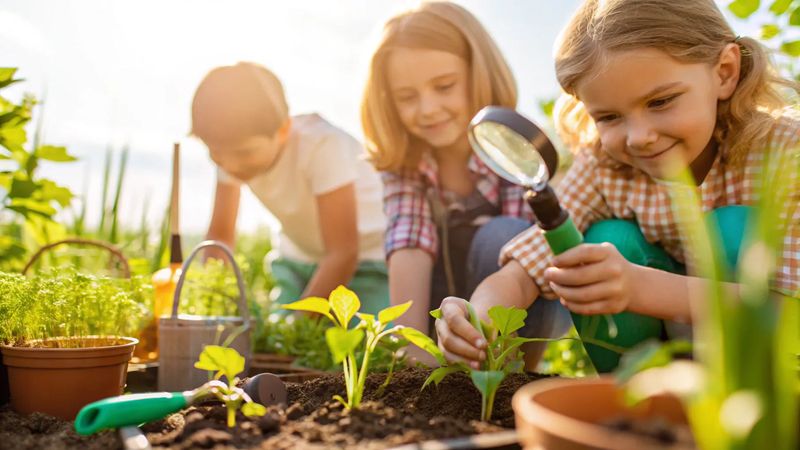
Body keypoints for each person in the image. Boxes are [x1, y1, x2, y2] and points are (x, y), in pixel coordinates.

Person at [435, 0, 800, 372]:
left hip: (764, 366)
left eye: (660, 101)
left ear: (724, 72)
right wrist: (478, 314)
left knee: (735, 231)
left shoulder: (786, 149)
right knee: (609, 240)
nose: (639, 138)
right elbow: (527, 268)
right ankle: (635, 397)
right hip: (659, 360)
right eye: (609, 117)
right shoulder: (605, 166)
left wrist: (641, 288)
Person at [360, 1, 572, 365]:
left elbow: (527, 258)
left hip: (518, 298)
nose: (427, 108)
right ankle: (444, 360)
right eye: (407, 97)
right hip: (443, 306)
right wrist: (412, 355)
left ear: (479, 75)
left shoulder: (510, 145)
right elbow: (409, 244)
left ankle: (512, 373)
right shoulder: (407, 166)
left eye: (444, 86)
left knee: (503, 234)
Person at [191, 62, 389, 314]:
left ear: (283, 130)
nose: (230, 165)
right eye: (216, 154)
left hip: (368, 262)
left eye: (244, 153)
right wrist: (216, 303)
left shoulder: (321, 146)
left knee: (360, 339)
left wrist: (299, 327)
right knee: (272, 332)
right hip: (298, 262)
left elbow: (343, 253)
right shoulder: (232, 153)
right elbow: (219, 238)